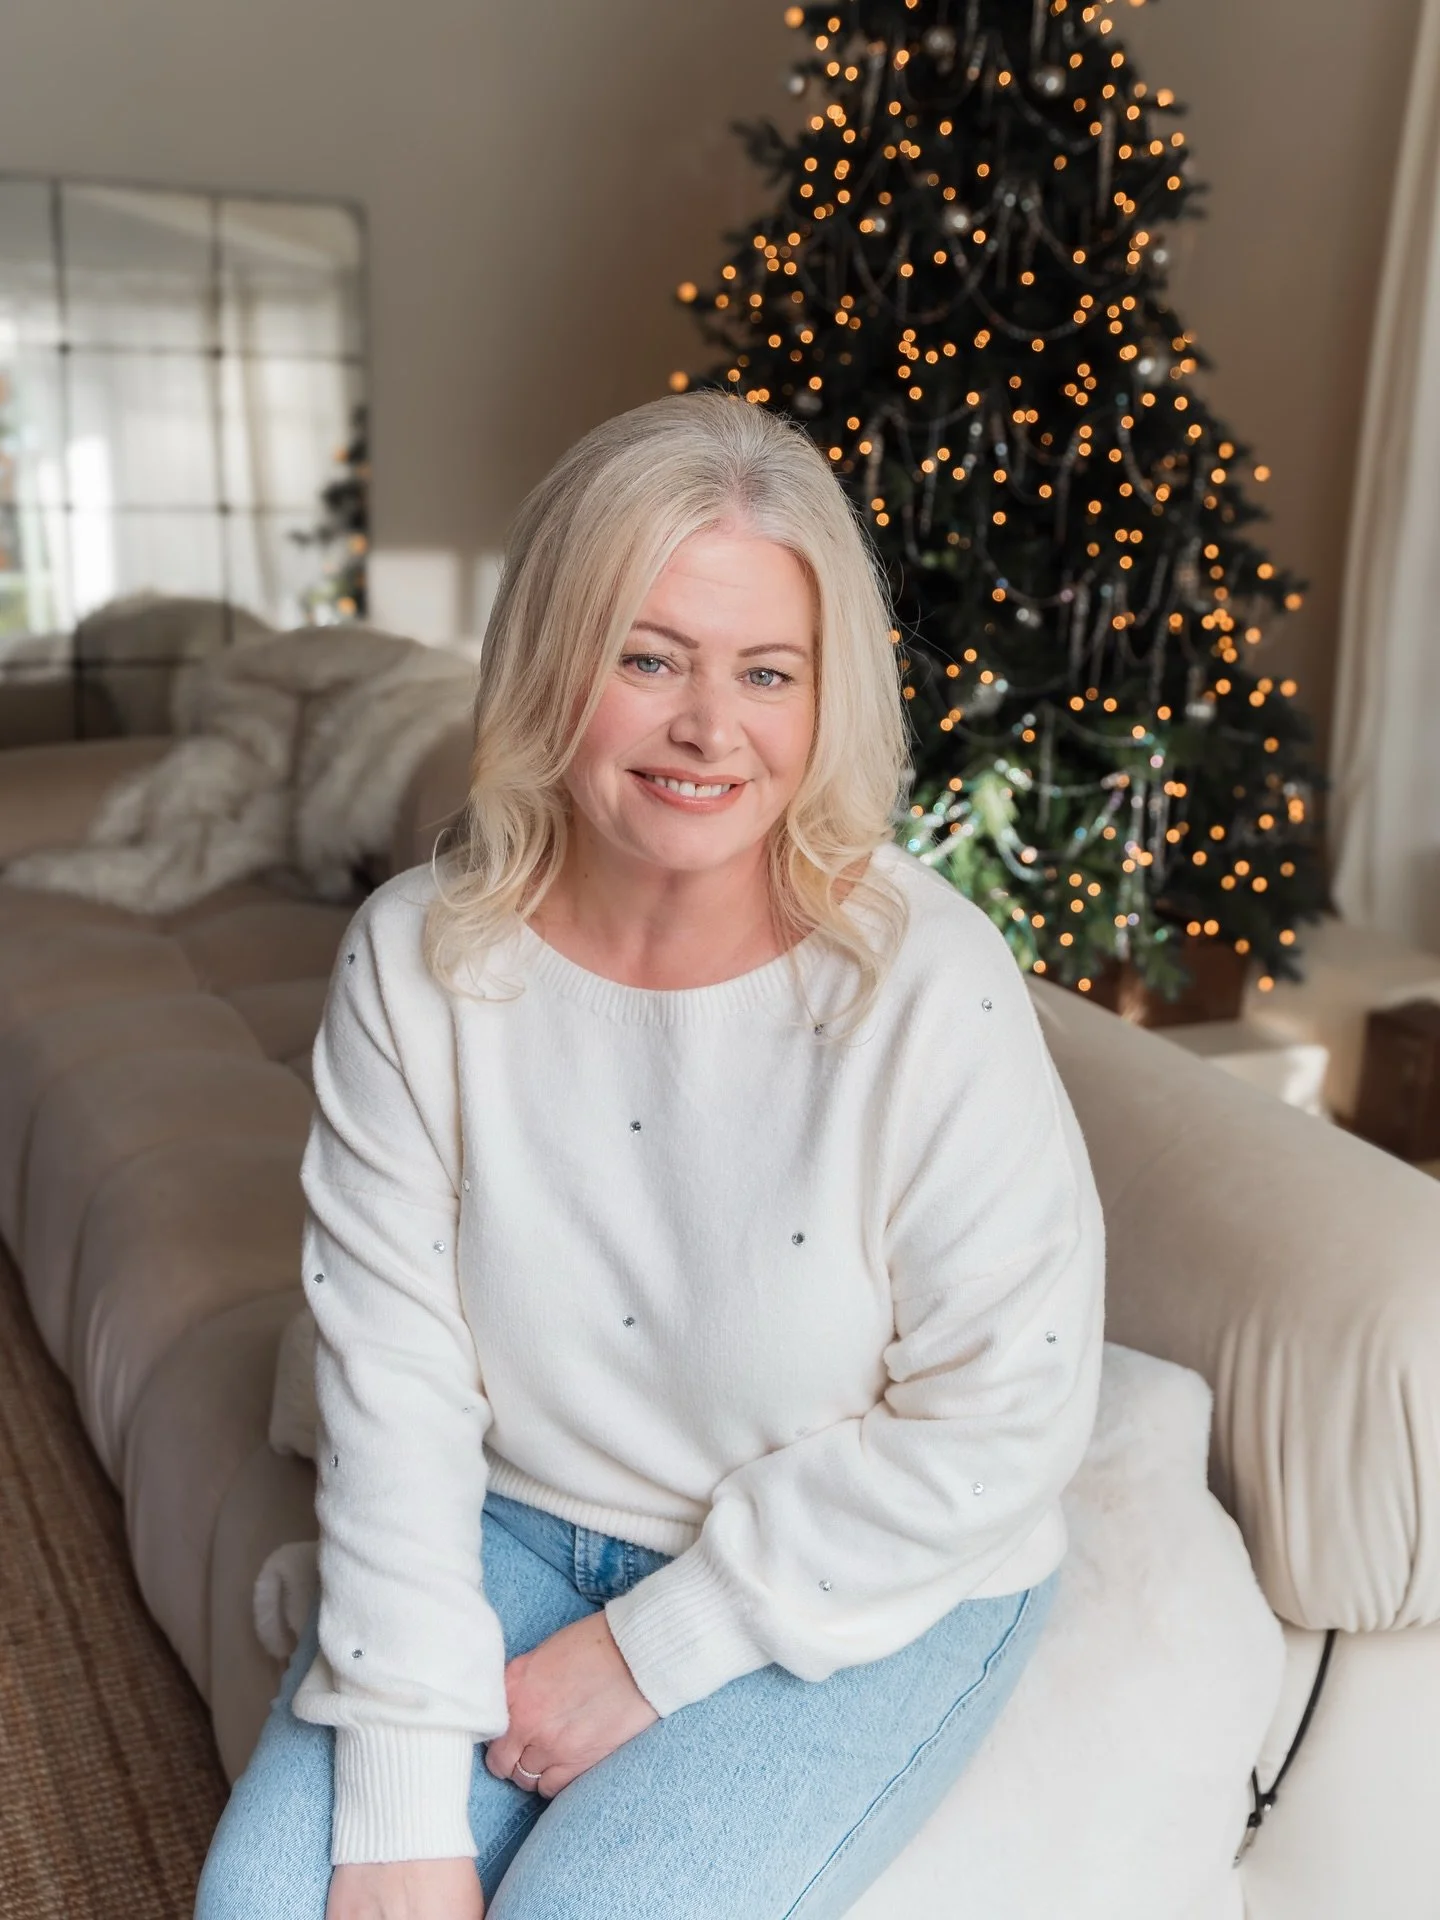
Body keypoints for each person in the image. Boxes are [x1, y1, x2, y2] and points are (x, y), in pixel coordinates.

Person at [194, 391, 1105, 1920]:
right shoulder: (415, 962)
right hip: (517, 1517)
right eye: (649, 658)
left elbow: (1006, 1413)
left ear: (825, 696)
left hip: (877, 1565)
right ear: (554, 663)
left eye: (767, 672)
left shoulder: (927, 985)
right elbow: (396, 1380)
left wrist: (652, 1650)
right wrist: (402, 1798)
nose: (710, 728)